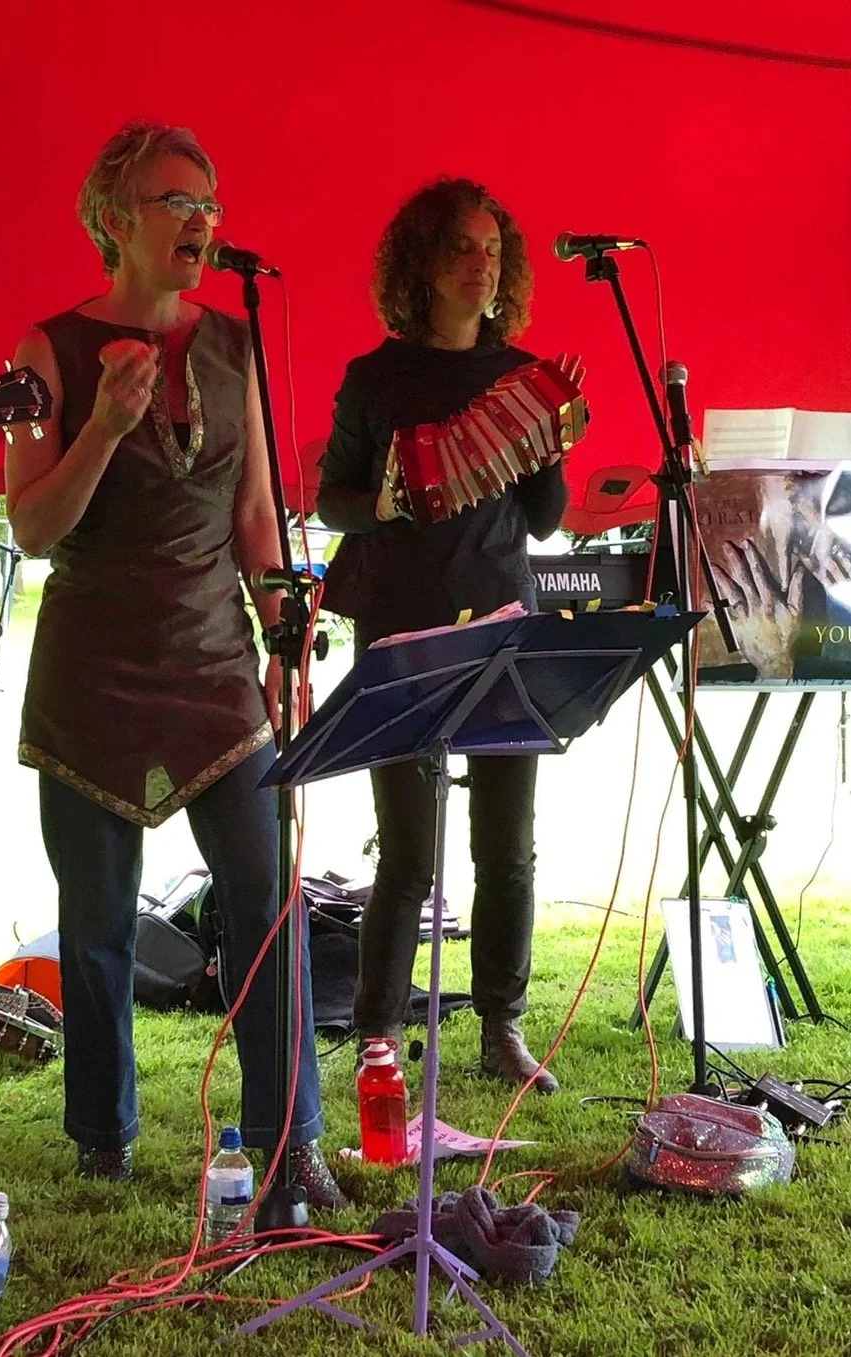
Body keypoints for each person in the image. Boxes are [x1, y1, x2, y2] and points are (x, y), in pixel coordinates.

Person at [5, 120, 345, 1204]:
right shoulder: (47, 349)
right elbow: (33, 527)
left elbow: (255, 518)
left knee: (266, 902)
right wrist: (102, 426)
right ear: (114, 221)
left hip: (216, 669)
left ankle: (290, 1139)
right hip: (90, 672)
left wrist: (287, 630)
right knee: (99, 922)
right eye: (175, 201)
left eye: (210, 204)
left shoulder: (236, 342)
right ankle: (103, 1136)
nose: (201, 220)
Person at [317, 177, 585, 1093]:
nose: (482, 265)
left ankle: (500, 1025)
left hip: (504, 626)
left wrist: (547, 443)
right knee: (407, 848)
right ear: (422, 267)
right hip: (401, 631)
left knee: (507, 843)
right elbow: (329, 500)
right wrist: (384, 501)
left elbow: (546, 519)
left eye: (493, 251)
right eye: (462, 249)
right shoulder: (374, 377)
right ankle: (379, 1034)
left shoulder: (521, 376)